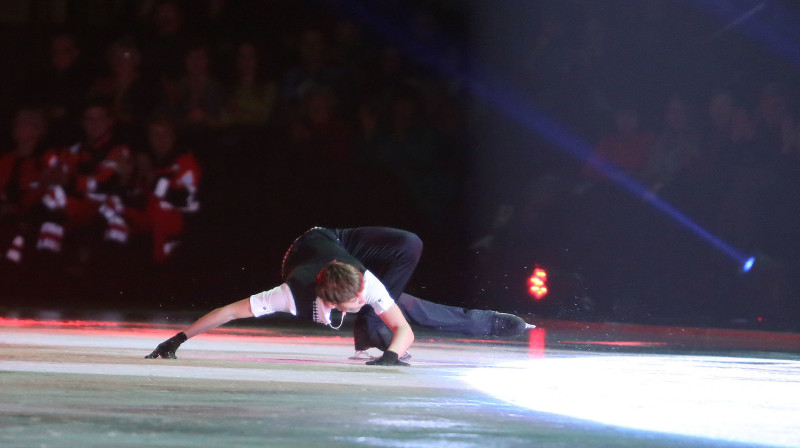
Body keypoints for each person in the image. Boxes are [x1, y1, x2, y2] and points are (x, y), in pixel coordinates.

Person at [145, 226, 533, 366]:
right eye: (355, 305)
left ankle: (500, 323)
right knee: (405, 307)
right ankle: (496, 322)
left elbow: (402, 328)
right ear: (330, 302)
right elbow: (227, 311)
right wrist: (178, 339)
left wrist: (391, 355)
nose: (363, 300)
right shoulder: (287, 295)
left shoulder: (368, 285)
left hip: (339, 241)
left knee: (407, 271)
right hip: (303, 251)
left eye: (362, 297)